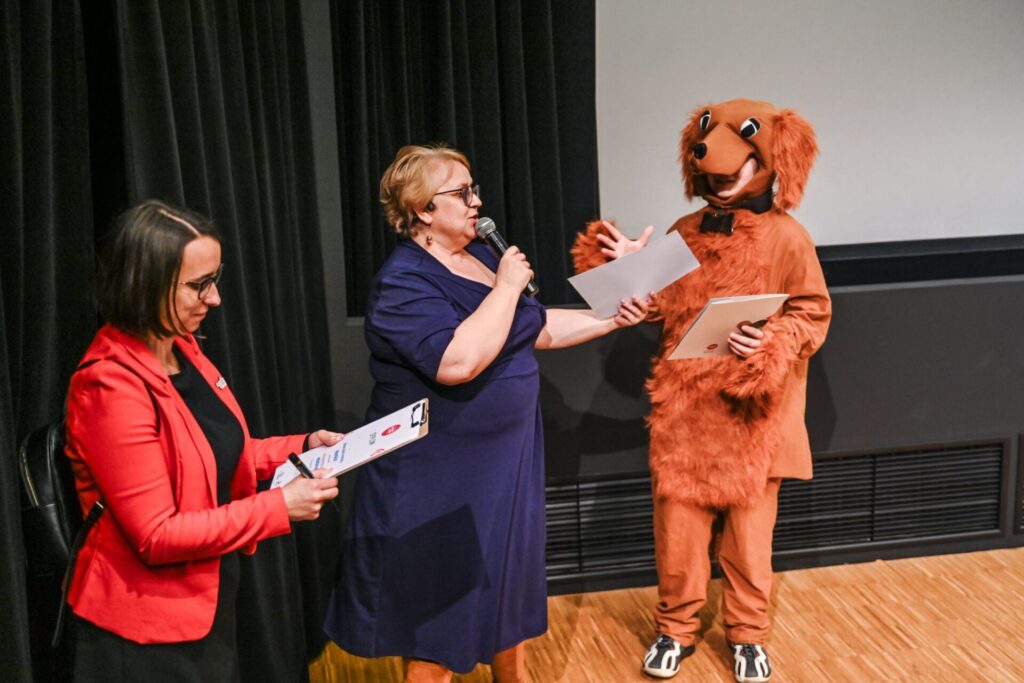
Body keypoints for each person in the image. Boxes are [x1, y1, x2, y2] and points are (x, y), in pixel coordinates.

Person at [323, 144, 651, 682]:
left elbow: (536, 329)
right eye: (462, 193)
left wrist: (612, 317)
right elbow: (457, 362)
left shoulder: (480, 258)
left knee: (505, 591)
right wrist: (506, 286)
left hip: (504, 463)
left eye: (474, 189)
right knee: (440, 618)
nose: (477, 202)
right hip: (442, 475)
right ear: (423, 208)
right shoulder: (404, 281)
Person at [572, 99, 830, 682]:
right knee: (678, 538)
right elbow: (657, 302)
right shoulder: (685, 231)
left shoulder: (789, 238)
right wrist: (628, 276)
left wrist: (771, 342)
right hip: (686, 416)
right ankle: (675, 628)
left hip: (753, 417)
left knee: (749, 542)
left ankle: (748, 635)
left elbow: (812, 314)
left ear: (771, 159)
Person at [63, 199, 342, 682]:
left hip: (203, 602)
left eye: (215, 279)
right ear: (146, 284)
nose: (214, 299)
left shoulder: (182, 348)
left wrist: (302, 448)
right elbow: (157, 535)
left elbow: (216, 453)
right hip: (144, 632)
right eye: (198, 285)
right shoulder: (110, 385)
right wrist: (278, 507)